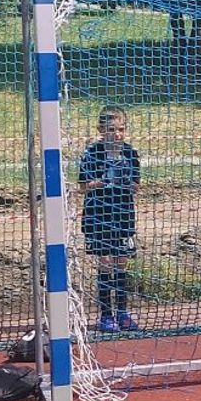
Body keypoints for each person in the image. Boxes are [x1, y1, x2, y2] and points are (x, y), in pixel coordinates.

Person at [78, 106, 141, 333]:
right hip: (99, 215)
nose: (117, 134)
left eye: (121, 129)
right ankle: (106, 315)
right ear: (101, 130)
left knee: (121, 262)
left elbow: (136, 186)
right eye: (112, 129)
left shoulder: (130, 153)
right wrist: (101, 181)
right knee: (105, 262)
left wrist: (125, 181)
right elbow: (83, 186)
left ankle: (122, 312)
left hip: (123, 215)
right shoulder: (92, 154)